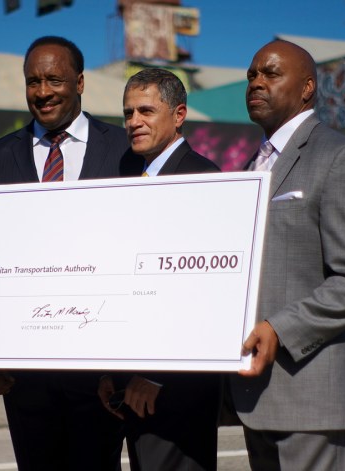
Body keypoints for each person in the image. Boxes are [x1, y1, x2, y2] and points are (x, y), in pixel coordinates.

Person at [0, 36, 130, 471]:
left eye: (54, 80)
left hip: (103, 367)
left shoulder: (126, 152)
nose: (42, 92)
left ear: (80, 82)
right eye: (33, 82)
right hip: (24, 373)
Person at [227, 39, 345, 470]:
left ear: (307, 89)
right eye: (251, 75)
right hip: (259, 396)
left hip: (317, 399)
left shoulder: (340, 157)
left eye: (271, 73)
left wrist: (279, 328)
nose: (256, 82)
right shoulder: (252, 166)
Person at [98, 68, 221, 471]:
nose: (134, 122)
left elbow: (205, 292)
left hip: (177, 391)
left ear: (179, 113)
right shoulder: (126, 177)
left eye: (146, 111)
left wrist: (156, 376)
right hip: (127, 389)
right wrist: (111, 372)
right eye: (128, 112)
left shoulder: (204, 179)